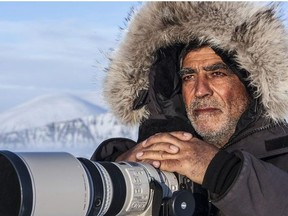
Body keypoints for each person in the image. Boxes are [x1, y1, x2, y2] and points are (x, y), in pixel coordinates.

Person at [92, 2, 288, 215]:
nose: (200, 90)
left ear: (253, 84)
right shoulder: (157, 159)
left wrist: (221, 173)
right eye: (188, 77)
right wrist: (119, 174)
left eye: (217, 74)